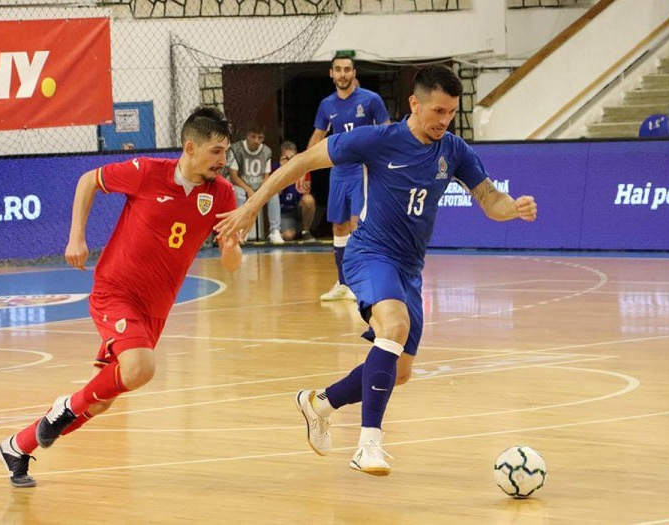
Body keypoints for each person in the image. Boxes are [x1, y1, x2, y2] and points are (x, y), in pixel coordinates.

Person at [216, 66, 538, 476]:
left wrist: (513, 208)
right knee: (395, 325)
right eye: (438, 111)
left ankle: (319, 404)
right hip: (370, 252)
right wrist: (251, 206)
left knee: (399, 371)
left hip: (410, 267)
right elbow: (302, 162)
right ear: (415, 104)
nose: (445, 120)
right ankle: (368, 444)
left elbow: (489, 199)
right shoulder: (377, 140)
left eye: (451, 113)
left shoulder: (454, 150)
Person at [0, 106, 243, 488]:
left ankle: (17, 446)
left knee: (101, 400)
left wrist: (231, 245)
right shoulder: (148, 172)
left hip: (156, 309)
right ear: (190, 148)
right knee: (141, 368)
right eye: (216, 151)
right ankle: (65, 407)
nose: (223, 160)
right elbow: (88, 181)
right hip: (116, 291)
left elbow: (231, 264)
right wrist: (76, 237)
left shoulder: (222, 194)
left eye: (225, 151)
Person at [308, 54, 391, 300]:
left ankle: (361, 282)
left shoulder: (370, 99)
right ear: (331, 73)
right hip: (338, 172)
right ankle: (343, 283)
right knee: (339, 226)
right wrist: (303, 168)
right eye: (338, 70)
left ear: (354, 73)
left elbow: (387, 131)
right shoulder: (327, 104)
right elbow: (318, 137)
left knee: (358, 225)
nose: (343, 74)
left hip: (362, 170)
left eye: (347, 69)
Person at [228, 124, 284, 244]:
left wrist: (261, 191)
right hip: (242, 185)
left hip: (259, 186)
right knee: (238, 194)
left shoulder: (266, 151)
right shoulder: (236, 149)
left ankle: (275, 231)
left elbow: (266, 176)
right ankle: (240, 230)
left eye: (260, 138)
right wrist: (248, 190)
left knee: (273, 195)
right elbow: (234, 177)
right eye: (253, 137)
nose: (257, 141)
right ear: (247, 136)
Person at [277, 141, 316, 242]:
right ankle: (287, 231)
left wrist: (297, 174)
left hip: (298, 207)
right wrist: (283, 171)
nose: (290, 161)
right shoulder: (276, 168)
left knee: (309, 200)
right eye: (287, 158)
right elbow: (278, 192)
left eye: (293, 158)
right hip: (284, 210)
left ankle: (305, 231)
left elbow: (305, 191)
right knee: (288, 236)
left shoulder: (304, 169)